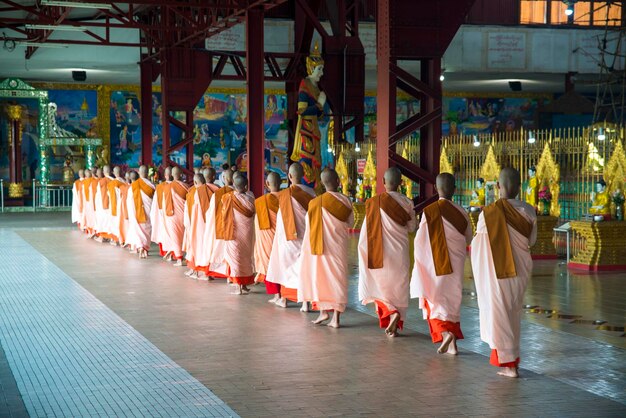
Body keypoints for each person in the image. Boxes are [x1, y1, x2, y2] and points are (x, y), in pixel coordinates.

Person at [471, 167, 537, 378]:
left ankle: (510, 365)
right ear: (520, 187)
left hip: (496, 272)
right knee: (512, 312)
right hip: (519, 270)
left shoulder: (487, 213)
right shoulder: (529, 210)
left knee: (500, 314)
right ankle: (512, 360)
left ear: (497, 186)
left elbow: (478, 247)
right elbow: (532, 241)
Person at [411, 173, 472, 351]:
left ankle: (446, 335)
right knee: (451, 300)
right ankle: (451, 341)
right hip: (456, 263)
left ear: (436, 189)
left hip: (435, 264)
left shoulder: (429, 212)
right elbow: (468, 238)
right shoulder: (462, 212)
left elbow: (420, 242)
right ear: (454, 189)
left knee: (435, 299)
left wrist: (421, 264)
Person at [358, 167, 417, 337]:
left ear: (383, 182)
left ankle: (391, 312)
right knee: (398, 288)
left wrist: (363, 251)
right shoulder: (407, 203)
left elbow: (365, 232)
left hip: (379, 254)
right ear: (401, 183)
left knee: (379, 286)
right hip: (400, 254)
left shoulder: (373, 202)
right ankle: (396, 320)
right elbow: (412, 227)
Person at [298, 168, 353, 328]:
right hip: (338, 247)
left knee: (320, 279)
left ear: (322, 183)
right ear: (338, 182)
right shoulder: (346, 200)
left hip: (319, 247)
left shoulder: (314, 203)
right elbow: (350, 222)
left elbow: (308, 226)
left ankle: (323, 312)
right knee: (338, 280)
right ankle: (335, 318)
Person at [265, 163, 316, 309]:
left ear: (289, 176)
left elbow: (282, 220)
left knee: (287, 267)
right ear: (303, 176)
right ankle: (306, 301)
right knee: (305, 267)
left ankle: (285, 299)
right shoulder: (312, 193)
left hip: (290, 237)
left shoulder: (286, 194)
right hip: (307, 235)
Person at [222, 175, 256, 294]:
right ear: (246, 186)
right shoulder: (251, 198)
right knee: (246, 258)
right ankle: (244, 284)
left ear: (234, 186)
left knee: (236, 258)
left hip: (234, 233)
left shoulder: (227, 198)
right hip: (247, 233)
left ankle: (239, 286)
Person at [253, 172, 281, 300]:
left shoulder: (260, 202)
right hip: (284, 238)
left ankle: (277, 295)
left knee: (270, 263)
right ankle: (284, 294)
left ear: (267, 184)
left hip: (268, 240)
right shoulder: (287, 198)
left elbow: (258, 226)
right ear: (281, 183)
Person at [203, 169, 235, 279]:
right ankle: (231, 276)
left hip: (220, 226)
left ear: (224, 179)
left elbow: (210, 214)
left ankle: (221, 273)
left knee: (219, 250)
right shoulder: (240, 193)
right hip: (235, 229)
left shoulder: (217, 194)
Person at [184, 174, 213, 279]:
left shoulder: (194, 193)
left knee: (198, 247)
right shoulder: (214, 190)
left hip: (198, 225)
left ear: (195, 183)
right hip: (210, 225)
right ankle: (208, 272)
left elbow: (190, 213)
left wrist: (189, 226)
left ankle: (200, 272)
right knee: (209, 247)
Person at [126, 165, 156, 258]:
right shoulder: (152, 185)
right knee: (147, 230)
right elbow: (155, 202)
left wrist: (131, 214)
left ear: (139, 172)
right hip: (149, 212)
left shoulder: (132, 186)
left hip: (136, 213)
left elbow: (129, 202)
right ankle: (145, 249)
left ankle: (140, 248)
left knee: (138, 230)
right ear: (147, 173)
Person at [161, 167, 189, 265]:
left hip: (172, 215)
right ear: (181, 174)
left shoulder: (167, 187)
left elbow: (164, 205)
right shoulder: (186, 186)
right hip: (185, 215)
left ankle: (179, 259)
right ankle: (188, 255)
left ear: (172, 175)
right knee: (186, 236)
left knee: (176, 237)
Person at [150, 166, 171, 259]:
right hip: (175, 215)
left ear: (165, 175)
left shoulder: (159, 187)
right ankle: (175, 253)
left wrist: (155, 215)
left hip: (162, 212)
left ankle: (164, 252)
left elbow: (155, 204)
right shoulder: (181, 186)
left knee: (163, 232)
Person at [106, 166, 126, 245]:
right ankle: (122, 239)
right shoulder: (125, 182)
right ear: (121, 172)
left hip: (114, 205)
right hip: (123, 206)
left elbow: (108, 195)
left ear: (113, 173)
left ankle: (115, 239)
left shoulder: (111, 184)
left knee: (114, 222)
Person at [80, 169, 96, 237]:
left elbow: (81, 195)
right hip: (93, 202)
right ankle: (93, 231)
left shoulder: (83, 183)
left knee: (89, 218)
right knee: (93, 217)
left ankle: (90, 231)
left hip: (87, 203)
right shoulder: (95, 181)